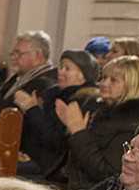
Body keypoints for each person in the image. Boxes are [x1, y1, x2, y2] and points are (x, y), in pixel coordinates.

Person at [58, 54, 139, 190]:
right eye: (103, 78)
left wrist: (78, 132)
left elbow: (107, 174)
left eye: (113, 80)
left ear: (132, 85)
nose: (103, 84)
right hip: (76, 186)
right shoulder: (97, 109)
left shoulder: (134, 124)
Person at [12, 48, 98, 177]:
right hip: (39, 158)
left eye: (67, 69)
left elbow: (55, 140)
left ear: (83, 76)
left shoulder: (82, 101)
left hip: (56, 168)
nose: (60, 72)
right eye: (60, 67)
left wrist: (32, 109)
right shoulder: (54, 95)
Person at [0, 30, 55, 123]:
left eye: (18, 53)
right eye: (13, 53)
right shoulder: (18, 77)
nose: (13, 58)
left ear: (38, 56)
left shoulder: (45, 84)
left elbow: (8, 116)